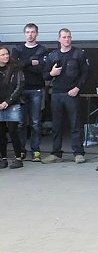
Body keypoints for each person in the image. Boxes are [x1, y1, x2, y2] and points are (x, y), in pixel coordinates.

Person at [42, 29, 90, 164]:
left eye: (69, 37)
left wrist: (77, 88)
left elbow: (86, 74)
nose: (67, 39)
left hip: (72, 93)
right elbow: (44, 75)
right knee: (56, 125)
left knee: (75, 124)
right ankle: (56, 153)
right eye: (64, 37)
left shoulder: (78, 54)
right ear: (59, 39)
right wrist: (52, 73)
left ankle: (78, 153)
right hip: (56, 94)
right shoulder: (52, 56)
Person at [12, 23, 48, 162]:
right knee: (20, 123)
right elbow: (15, 67)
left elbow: (42, 68)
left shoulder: (43, 49)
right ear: (24, 34)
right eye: (28, 32)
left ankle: (36, 151)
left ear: (37, 34)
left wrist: (24, 65)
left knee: (35, 122)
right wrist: (29, 63)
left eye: (33, 32)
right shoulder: (18, 49)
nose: (30, 34)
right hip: (20, 91)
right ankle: (21, 151)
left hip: (37, 89)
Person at [0, 45, 25, 169]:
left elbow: (19, 86)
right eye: (2, 55)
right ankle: (3, 158)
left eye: (6, 54)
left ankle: (18, 158)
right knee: (1, 133)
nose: (6, 56)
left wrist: (8, 102)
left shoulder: (16, 68)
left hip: (12, 104)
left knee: (13, 131)